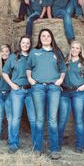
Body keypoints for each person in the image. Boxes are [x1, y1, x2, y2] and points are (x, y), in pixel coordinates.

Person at [27, 28, 66, 159]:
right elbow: (28, 68)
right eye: (43, 36)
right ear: (40, 38)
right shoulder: (34, 52)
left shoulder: (57, 52)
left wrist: (60, 79)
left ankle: (54, 149)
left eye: (48, 36)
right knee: (39, 119)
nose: (45, 38)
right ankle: (38, 148)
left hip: (53, 88)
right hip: (38, 88)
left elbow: (63, 68)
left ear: (51, 38)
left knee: (53, 119)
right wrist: (30, 80)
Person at [58, 41, 84, 153]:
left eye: (77, 48)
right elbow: (58, 74)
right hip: (65, 93)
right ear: (70, 49)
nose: (74, 50)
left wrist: (83, 87)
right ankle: (57, 144)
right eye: (73, 47)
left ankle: (79, 146)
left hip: (79, 93)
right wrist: (59, 85)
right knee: (62, 119)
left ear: (80, 50)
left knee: (78, 120)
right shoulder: (65, 62)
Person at [3, 36, 36, 153]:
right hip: (17, 91)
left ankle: (36, 144)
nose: (25, 45)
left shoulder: (33, 56)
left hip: (31, 91)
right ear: (20, 43)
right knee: (16, 118)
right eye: (23, 42)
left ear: (30, 44)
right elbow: (4, 72)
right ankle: (13, 144)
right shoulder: (13, 57)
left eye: (28, 43)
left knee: (33, 118)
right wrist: (12, 84)